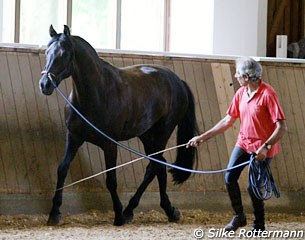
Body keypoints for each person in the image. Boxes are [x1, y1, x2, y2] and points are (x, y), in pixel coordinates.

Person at [187, 57, 287, 231]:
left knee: (252, 186)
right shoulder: (241, 93)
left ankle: (259, 225)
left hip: (263, 148)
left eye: (238, 74)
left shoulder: (268, 94)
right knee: (229, 177)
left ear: (247, 77)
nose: (235, 76)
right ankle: (239, 216)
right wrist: (202, 137)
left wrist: (266, 147)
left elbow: (281, 127)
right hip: (244, 142)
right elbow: (228, 120)